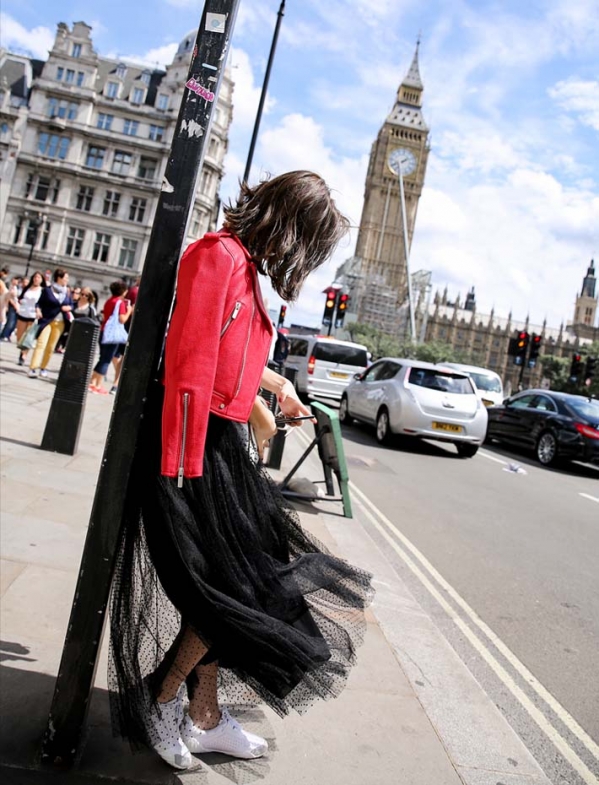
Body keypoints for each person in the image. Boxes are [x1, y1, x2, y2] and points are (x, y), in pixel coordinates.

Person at [109, 171, 374, 770]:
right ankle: (161, 697)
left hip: (221, 444)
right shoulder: (217, 256)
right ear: (289, 224)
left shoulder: (245, 267)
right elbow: (190, 363)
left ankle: (203, 713)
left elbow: (236, 357)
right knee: (233, 591)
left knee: (246, 584)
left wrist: (278, 386)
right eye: (309, 239)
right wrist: (181, 463)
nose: (306, 258)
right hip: (193, 443)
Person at [28, 269, 73, 378]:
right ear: (59, 277)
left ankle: (43, 367)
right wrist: (38, 310)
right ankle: (33, 368)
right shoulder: (47, 290)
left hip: (60, 322)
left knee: (51, 347)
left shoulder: (66, 291)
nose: (67, 280)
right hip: (46, 320)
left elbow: (72, 305)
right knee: (41, 344)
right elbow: (39, 303)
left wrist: (68, 307)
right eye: (65, 277)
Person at [89, 281, 132, 394]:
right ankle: (97, 385)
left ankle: (92, 382)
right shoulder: (120, 303)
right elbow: (122, 319)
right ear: (123, 291)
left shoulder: (109, 300)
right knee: (106, 360)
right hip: (112, 334)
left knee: (103, 358)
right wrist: (129, 311)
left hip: (104, 331)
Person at [16, 271, 46, 366]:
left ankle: (23, 356)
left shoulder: (42, 290)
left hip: (33, 316)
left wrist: (39, 311)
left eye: (38, 277)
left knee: (28, 337)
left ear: (41, 280)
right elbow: (19, 298)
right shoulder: (27, 288)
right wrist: (20, 302)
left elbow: (43, 303)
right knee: (20, 336)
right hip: (23, 313)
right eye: (35, 277)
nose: (36, 279)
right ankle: (22, 351)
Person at [0, 277, 21, 341]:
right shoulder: (10, 288)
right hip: (11, 306)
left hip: (13, 306)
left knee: (12, 323)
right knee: (10, 322)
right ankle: (4, 335)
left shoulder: (15, 288)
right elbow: (9, 299)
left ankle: (6, 335)